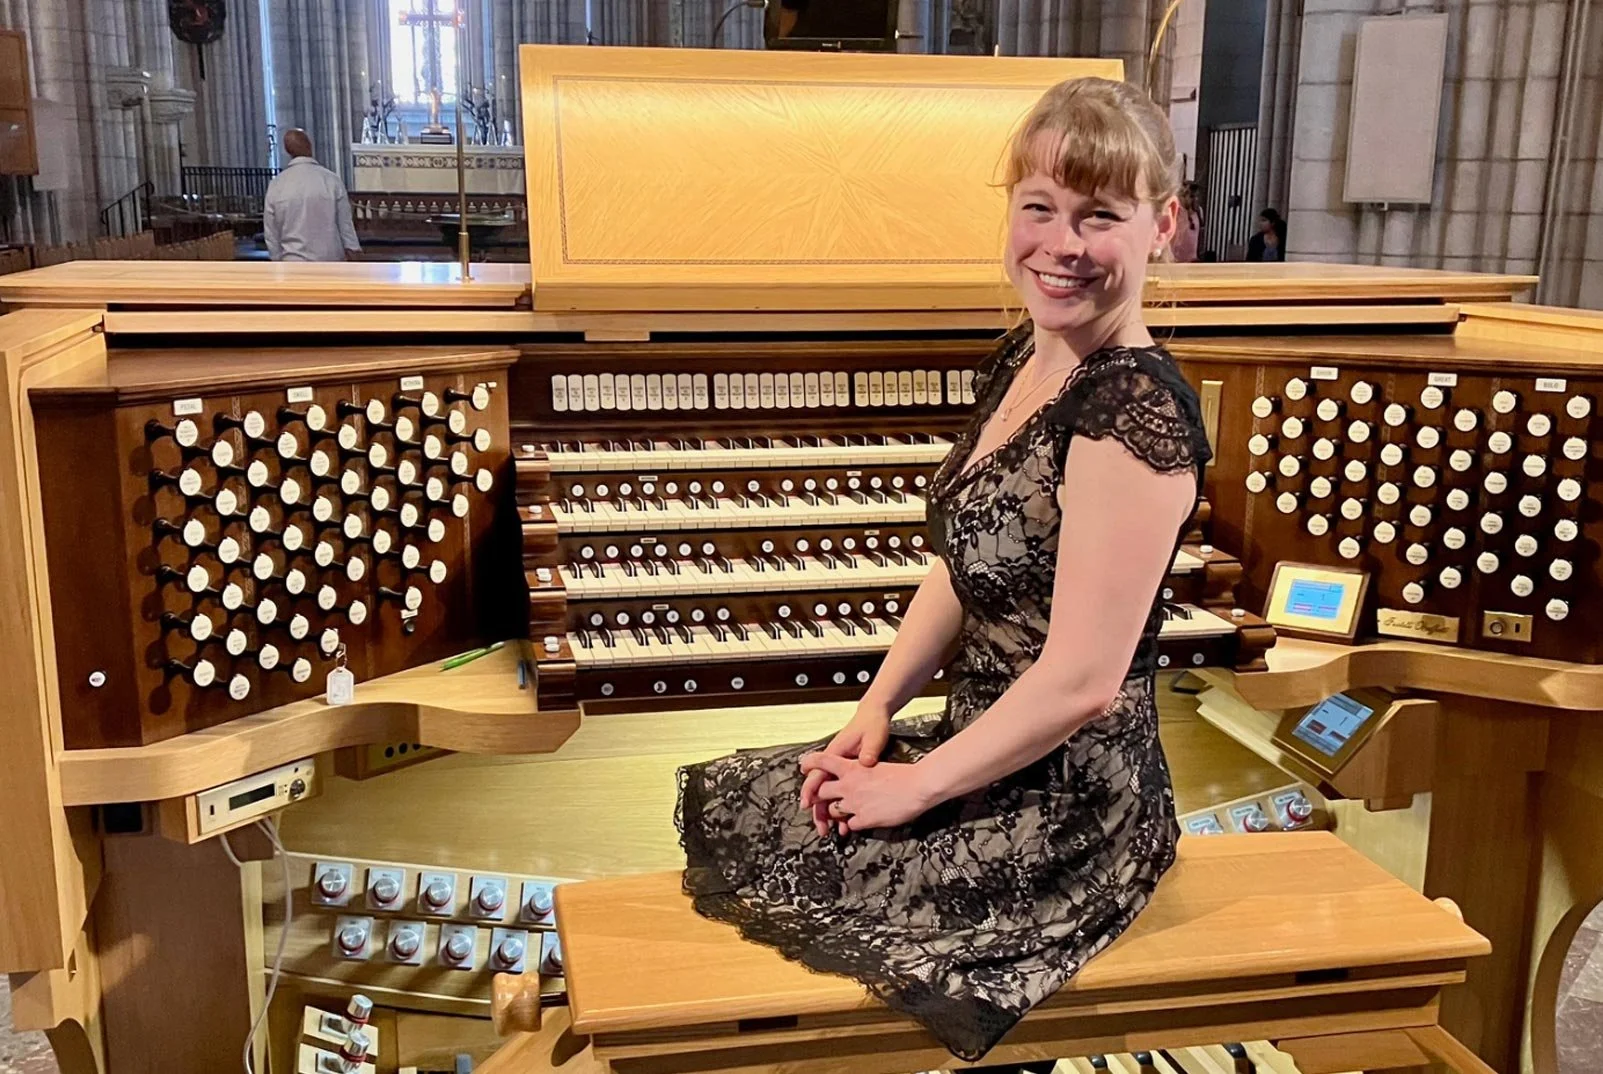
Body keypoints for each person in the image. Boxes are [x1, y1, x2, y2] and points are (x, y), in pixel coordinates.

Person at [676, 76, 1211, 1065]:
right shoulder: (1031, 356)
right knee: (779, 805)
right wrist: (880, 706)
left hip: (1073, 805)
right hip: (985, 740)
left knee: (851, 898)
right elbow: (964, 563)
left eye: (1099, 216)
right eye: (1038, 207)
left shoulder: (1131, 417)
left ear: (1162, 226)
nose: (1060, 244)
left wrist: (912, 790)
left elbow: (1083, 683)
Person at [262, 129, 361, 262]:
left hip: (293, 263)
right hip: (330, 262)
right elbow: (345, 226)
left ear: (287, 151)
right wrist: (354, 252)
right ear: (310, 146)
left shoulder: (276, 185)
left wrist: (277, 261)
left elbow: (271, 233)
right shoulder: (331, 180)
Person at [1171, 180, 1202, 262]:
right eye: (1191, 196)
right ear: (1182, 197)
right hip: (1176, 259)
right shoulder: (1177, 212)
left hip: (1192, 259)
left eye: (1196, 196)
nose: (1195, 199)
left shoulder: (1198, 211)